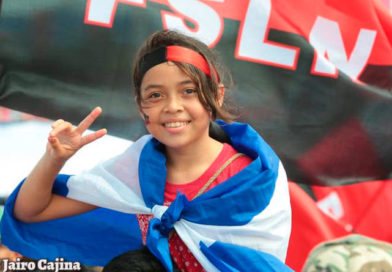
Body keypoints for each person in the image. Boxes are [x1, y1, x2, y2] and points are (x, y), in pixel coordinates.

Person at [0, 30, 292, 271]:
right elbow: (30, 212)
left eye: (188, 91)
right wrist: (54, 159)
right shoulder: (135, 169)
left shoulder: (252, 178)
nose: (172, 106)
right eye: (155, 95)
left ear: (216, 95)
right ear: (141, 108)